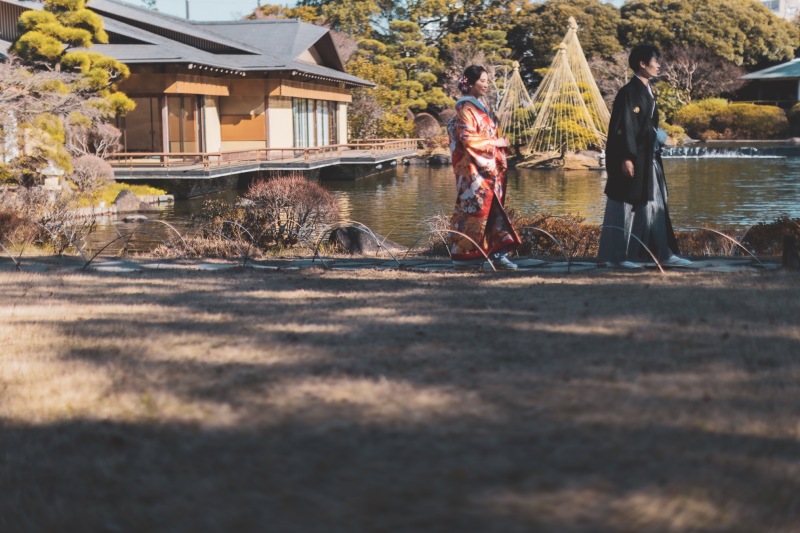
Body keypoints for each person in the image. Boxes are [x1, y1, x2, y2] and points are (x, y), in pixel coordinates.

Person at [598, 44, 692, 269]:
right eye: (655, 60)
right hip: (633, 158)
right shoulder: (628, 92)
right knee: (625, 205)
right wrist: (626, 157)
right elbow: (624, 127)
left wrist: (658, 136)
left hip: (648, 157)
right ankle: (618, 257)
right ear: (642, 63)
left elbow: (645, 126)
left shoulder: (646, 90)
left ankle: (661, 252)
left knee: (655, 204)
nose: (659, 65)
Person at [447, 65, 521, 270]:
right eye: (482, 81)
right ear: (470, 83)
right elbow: (467, 139)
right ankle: (467, 256)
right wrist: (495, 143)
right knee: (476, 212)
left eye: (487, 81)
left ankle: (496, 254)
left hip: (488, 167)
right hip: (475, 171)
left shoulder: (479, 106)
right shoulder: (466, 108)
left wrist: (499, 145)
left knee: (493, 212)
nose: (486, 85)